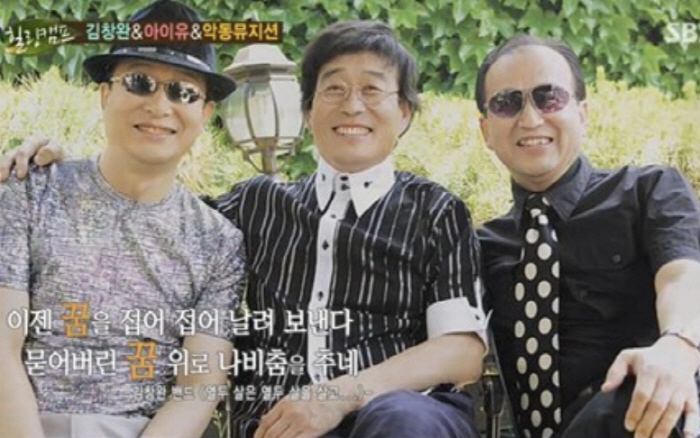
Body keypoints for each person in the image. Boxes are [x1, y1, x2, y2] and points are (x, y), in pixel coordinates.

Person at [1, 20, 488, 438]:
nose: (352, 106)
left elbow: (462, 349)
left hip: (396, 420)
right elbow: (147, 204)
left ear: (404, 113)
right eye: (334, 89)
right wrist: (58, 167)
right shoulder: (255, 205)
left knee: (403, 418)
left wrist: (338, 396)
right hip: (277, 426)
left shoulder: (436, 210)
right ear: (308, 111)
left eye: (373, 90)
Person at [0, 1, 246, 438]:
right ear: (105, 94)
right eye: (139, 82)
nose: (160, 105)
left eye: (183, 92)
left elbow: (198, 386)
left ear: (205, 114)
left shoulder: (218, 241)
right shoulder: (31, 191)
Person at [476, 34, 700, 438]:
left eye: (549, 97)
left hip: (634, 419)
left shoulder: (647, 191)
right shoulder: (483, 245)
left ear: (582, 113)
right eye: (507, 103)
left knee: (650, 393)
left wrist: (678, 344)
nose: (530, 118)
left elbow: (683, 276)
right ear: (485, 130)